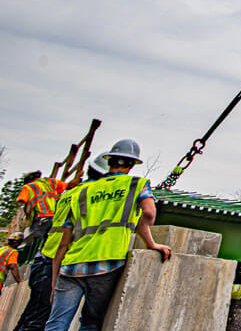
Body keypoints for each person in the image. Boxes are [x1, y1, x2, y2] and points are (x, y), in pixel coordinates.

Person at [45, 139, 172, 331]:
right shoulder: (136, 184)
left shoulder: (83, 191)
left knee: (56, 323)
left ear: (110, 162)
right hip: (106, 263)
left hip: (72, 264)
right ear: (131, 165)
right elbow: (148, 214)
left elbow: (64, 242)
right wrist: (151, 243)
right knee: (90, 323)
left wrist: (55, 280)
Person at [12, 154, 109, 331]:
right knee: (37, 320)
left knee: (33, 316)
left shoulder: (70, 194)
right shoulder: (55, 185)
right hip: (53, 259)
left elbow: (23, 204)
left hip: (44, 254)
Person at [9, 172, 67, 247]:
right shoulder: (51, 182)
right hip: (55, 217)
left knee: (34, 241)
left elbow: (21, 201)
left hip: (40, 217)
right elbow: (68, 186)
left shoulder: (28, 187)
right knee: (48, 239)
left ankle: (36, 254)